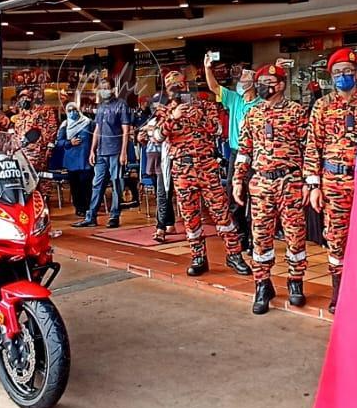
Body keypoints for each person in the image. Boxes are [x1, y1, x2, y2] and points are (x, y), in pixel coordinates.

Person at [233, 64, 309, 313]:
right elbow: (244, 151)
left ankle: (295, 281)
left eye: (268, 81)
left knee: (295, 235)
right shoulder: (252, 115)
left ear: (280, 84)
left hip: (290, 182)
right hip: (262, 183)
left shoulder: (297, 112)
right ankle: (263, 284)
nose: (263, 86)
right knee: (261, 238)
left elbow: (308, 150)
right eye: (260, 81)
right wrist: (237, 180)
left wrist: (309, 182)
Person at [159, 69, 249, 278]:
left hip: (206, 166)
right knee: (190, 217)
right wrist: (173, 117)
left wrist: (196, 114)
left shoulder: (205, 105)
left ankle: (234, 254)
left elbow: (217, 129)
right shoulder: (164, 111)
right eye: (172, 87)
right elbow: (156, 136)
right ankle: (198, 256)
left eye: (180, 85)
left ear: (187, 85)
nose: (177, 90)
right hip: (182, 169)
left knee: (222, 212)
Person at [304, 48, 357, 313]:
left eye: (347, 72)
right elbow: (312, 146)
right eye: (338, 73)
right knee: (336, 237)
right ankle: (339, 291)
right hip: (334, 182)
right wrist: (313, 185)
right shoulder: (322, 105)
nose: (343, 77)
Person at [204, 55, 260, 253]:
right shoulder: (234, 99)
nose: (240, 83)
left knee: (256, 199)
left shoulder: (261, 104)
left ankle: (255, 239)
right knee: (234, 196)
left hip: (257, 155)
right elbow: (214, 87)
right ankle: (241, 237)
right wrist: (207, 68)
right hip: (236, 153)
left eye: (244, 80)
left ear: (253, 84)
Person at [73, 76, 131, 229]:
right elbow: (97, 130)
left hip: (116, 150)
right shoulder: (101, 107)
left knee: (117, 183)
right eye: (102, 88)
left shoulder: (121, 105)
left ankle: (114, 216)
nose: (104, 91)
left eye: (107, 88)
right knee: (97, 184)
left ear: (113, 89)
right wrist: (92, 150)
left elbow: (126, 130)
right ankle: (91, 216)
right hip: (101, 152)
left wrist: (124, 152)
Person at [11, 85, 59, 205]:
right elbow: (17, 132)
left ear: (31, 98)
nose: (23, 100)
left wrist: (49, 146)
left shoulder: (42, 111)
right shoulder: (20, 115)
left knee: (39, 177)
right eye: (21, 98)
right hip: (22, 152)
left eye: (26, 97)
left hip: (38, 150)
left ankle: (43, 202)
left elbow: (49, 129)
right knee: (24, 178)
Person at [139, 94, 175, 243]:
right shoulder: (152, 120)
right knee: (161, 193)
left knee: (162, 193)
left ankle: (160, 228)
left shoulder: (172, 119)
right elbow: (143, 137)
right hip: (152, 159)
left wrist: (152, 130)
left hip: (166, 160)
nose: (157, 108)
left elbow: (163, 134)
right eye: (154, 105)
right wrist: (142, 137)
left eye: (159, 105)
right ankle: (170, 223)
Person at [56, 101, 94, 224]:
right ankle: (79, 208)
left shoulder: (88, 123)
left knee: (86, 185)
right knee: (75, 186)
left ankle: (90, 208)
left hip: (86, 159)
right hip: (71, 160)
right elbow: (59, 142)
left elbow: (95, 137)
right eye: (70, 110)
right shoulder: (65, 125)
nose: (73, 112)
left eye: (74, 110)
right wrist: (69, 143)